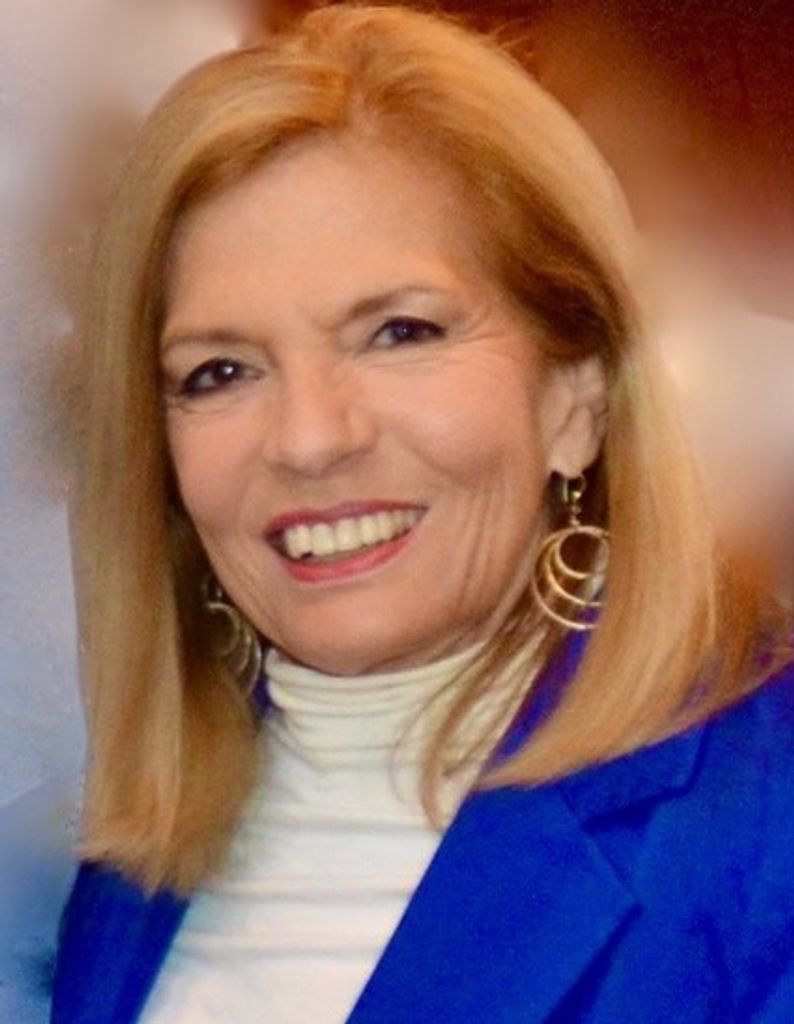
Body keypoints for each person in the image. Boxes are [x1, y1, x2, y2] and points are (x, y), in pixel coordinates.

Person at [51, 4, 794, 1022]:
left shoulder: (762, 824)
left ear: (575, 393)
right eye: (220, 371)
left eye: (399, 332)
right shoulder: (135, 861)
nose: (310, 438)